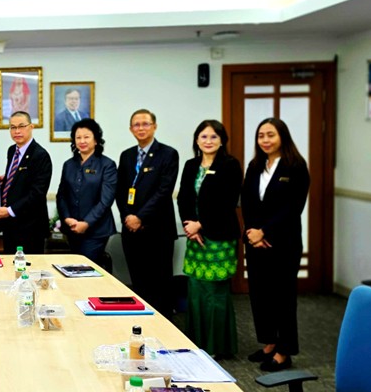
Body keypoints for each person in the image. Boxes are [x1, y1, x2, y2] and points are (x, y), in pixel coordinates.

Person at [241, 117, 310, 372]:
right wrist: (252, 233)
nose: (265, 140)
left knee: (283, 297)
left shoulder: (296, 166)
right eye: (261, 136)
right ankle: (269, 342)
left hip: (283, 242)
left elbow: (293, 207)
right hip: (255, 241)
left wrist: (265, 231)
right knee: (260, 295)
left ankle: (284, 351)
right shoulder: (255, 165)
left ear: (282, 137)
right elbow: (247, 201)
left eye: (271, 135)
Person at [177, 120, 243, 358]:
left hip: (219, 236)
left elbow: (227, 202)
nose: (208, 141)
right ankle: (197, 342)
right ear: (196, 140)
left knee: (215, 290)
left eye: (214, 137)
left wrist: (201, 224)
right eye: (203, 137)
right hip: (195, 237)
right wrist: (190, 226)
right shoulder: (191, 165)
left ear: (222, 140)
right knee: (196, 288)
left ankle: (218, 346)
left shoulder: (230, 165)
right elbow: (183, 198)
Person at [115, 109, 179, 318]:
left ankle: (164, 327)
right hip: (132, 231)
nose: (141, 128)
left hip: (158, 230)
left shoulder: (168, 154)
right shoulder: (127, 156)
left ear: (154, 126)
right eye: (136, 124)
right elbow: (120, 191)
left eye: (145, 124)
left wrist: (140, 217)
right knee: (139, 283)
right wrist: (128, 217)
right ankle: (141, 324)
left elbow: (164, 191)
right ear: (130, 129)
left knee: (160, 284)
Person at [55, 119, 116, 265]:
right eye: (78, 137)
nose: (82, 141)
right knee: (73, 268)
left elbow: (105, 200)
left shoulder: (107, 165)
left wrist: (86, 223)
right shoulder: (69, 165)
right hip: (72, 228)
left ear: (96, 140)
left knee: (85, 268)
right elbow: (61, 195)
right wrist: (67, 218)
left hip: (96, 230)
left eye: (86, 137)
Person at [0, 111, 53, 254]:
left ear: (31, 127)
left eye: (21, 126)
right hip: (10, 226)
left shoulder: (40, 155)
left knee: (29, 267)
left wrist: (10, 211)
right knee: (9, 265)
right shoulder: (12, 150)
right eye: (13, 127)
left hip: (30, 228)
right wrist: (6, 179)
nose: (17, 131)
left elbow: (37, 193)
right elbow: (20, 178)